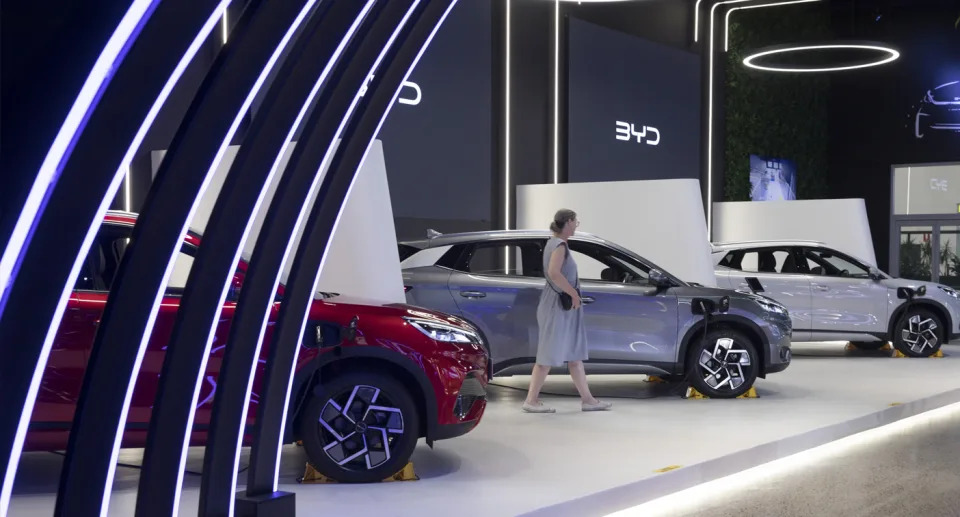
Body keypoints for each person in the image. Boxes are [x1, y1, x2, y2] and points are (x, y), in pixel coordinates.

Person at [522, 209, 612, 413]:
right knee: (547, 354)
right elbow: (554, 273)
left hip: (560, 305)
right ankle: (531, 400)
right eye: (576, 221)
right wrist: (573, 294)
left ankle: (588, 400)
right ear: (569, 222)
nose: (577, 225)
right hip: (557, 305)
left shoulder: (554, 243)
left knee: (574, 354)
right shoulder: (559, 245)